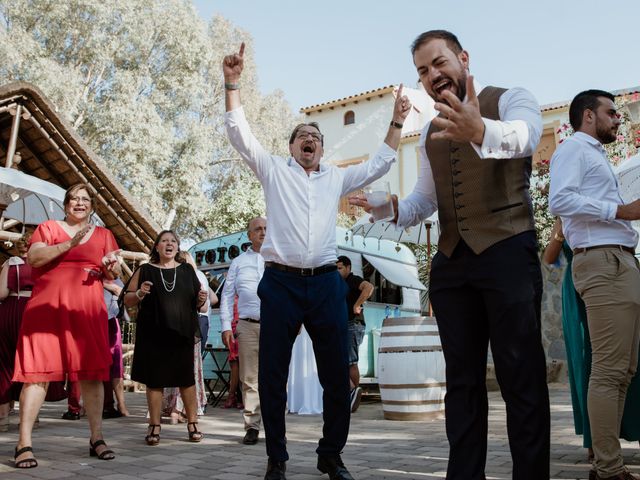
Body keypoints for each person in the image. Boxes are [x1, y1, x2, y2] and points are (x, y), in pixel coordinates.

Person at [350, 30, 550, 480]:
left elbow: (526, 136)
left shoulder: (511, 98)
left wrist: (481, 129)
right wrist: (390, 207)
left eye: (439, 63)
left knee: (521, 377)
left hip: (507, 252)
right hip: (452, 262)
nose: (432, 75)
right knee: (460, 382)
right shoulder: (428, 134)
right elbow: (427, 200)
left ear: (462, 58)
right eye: (422, 70)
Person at [223, 42, 410, 480]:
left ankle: (331, 454)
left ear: (322, 149)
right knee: (273, 375)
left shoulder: (338, 177)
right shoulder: (273, 169)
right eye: (302, 135)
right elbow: (238, 133)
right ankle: (277, 458)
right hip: (281, 284)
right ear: (291, 147)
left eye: (316, 137)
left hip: (326, 284)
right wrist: (232, 83)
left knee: (335, 376)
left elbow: (383, 161)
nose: (310, 139)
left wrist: (398, 119)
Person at [549, 89, 640, 480]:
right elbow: (560, 200)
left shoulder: (595, 155)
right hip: (603, 262)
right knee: (608, 370)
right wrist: (620, 210)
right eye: (611, 112)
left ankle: (608, 461)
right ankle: (607, 468)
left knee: (625, 369)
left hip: (619, 259)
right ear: (589, 116)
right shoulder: (574, 149)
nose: (618, 118)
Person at [12, 183, 122, 468]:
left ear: (92, 206)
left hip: (87, 311)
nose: (79, 203)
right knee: (36, 374)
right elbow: (34, 257)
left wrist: (112, 267)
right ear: (66, 204)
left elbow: (114, 272)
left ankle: (96, 438)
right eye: (74, 199)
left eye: (85, 199)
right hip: (46, 311)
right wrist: (70, 244)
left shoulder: (104, 235)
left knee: (93, 374)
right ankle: (24, 443)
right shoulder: (48, 228)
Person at [543, 218, 640, 465]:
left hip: (616, 282)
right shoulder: (568, 213)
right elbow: (550, 259)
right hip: (578, 290)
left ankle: (629, 433)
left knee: (627, 362)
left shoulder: (611, 210)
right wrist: (559, 234)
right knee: (589, 363)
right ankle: (595, 444)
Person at [124, 230, 208, 445]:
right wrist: (140, 293)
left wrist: (201, 299)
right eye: (164, 241)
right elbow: (128, 300)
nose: (169, 244)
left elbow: (201, 304)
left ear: (178, 247)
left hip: (181, 333)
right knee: (155, 380)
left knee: (186, 379)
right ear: (157, 247)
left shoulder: (188, 271)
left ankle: (192, 423)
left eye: (173, 241)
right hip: (153, 333)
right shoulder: (145, 270)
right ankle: (154, 425)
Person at [220, 216, 266, 445]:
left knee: (276, 377)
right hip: (247, 326)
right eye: (258, 229)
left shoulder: (279, 259)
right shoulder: (238, 262)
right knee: (249, 378)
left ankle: (276, 425)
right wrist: (226, 326)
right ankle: (252, 427)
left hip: (275, 325)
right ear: (249, 235)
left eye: (266, 229)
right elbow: (227, 295)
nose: (263, 232)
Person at [163, 252, 216, 423]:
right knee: (189, 368)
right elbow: (206, 305)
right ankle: (182, 408)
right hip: (190, 327)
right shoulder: (197, 277)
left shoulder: (167, 277)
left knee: (174, 367)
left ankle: (174, 409)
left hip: (172, 328)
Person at [0, 234, 34, 432]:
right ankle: (30, 417)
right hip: (33, 312)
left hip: (10, 311)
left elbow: (1, 293)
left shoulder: (10, 264)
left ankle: (3, 416)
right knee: (30, 364)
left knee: (4, 363)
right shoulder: (44, 264)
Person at [336, 255, 373, 414]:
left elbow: (369, 287)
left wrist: (357, 304)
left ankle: (353, 394)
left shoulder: (353, 279)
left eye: (340, 268)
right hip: (344, 325)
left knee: (351, 362)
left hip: (353, 324)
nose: (337, 271)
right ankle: (352, 394)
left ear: (348, 267)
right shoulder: (340, 283)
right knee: (344, 361)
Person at [102, 278, 129, 418]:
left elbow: (121, 291)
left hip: (111, 321)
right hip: (94, 320)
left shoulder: (115, 278)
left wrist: (104, 285)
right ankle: (105, 404)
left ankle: (121, 403)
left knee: (116, 364)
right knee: (99, 365)